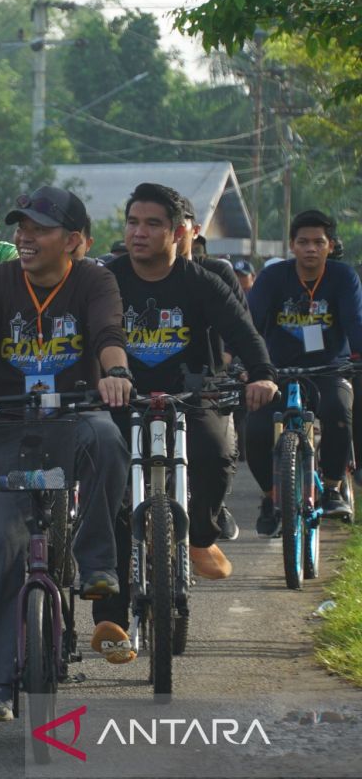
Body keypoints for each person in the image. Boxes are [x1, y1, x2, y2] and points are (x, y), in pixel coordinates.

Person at [0, 185, 132, 723]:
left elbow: (109, 333)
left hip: (75, 415)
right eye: (21, 227)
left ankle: (96, 563)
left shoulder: (95, 279)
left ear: (74, 241)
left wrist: (114, 374)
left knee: (109, 439)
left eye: (39, 229)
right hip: (7, 425)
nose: (25, 236)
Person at [96, 183, 277, 647]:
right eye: (133, 222)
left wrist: (261, 374)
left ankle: (199, 537)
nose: (139, 232)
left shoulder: (203, 281)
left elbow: (244, 331)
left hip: (193, 397)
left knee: (216, 453)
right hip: (122, 400)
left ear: (179, 233)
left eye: (152, 224)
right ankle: (110, 618)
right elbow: (84, 333)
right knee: (111, 494)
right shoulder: (106, 278)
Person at [246, 209, 362, 531]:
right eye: (303, 242)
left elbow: (355, 321)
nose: (311, 248)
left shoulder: (343, 277)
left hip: (329, 369)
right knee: (255, 432)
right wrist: (249, 365)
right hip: (276, 373)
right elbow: (250, 324)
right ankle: (272, 496)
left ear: (331, 245)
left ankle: (334, 488)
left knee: (339, 411)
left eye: (318, 242)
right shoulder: (272, 278)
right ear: (292, 246)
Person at [177, 195, 246, 541]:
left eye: (175, 223)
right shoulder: (127, 274)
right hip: (150, 384)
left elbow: (241, 326)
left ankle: (211, 513)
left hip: (210, 380)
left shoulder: (216, 272)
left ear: (193, 229)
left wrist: (238, 363)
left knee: (218, 452)